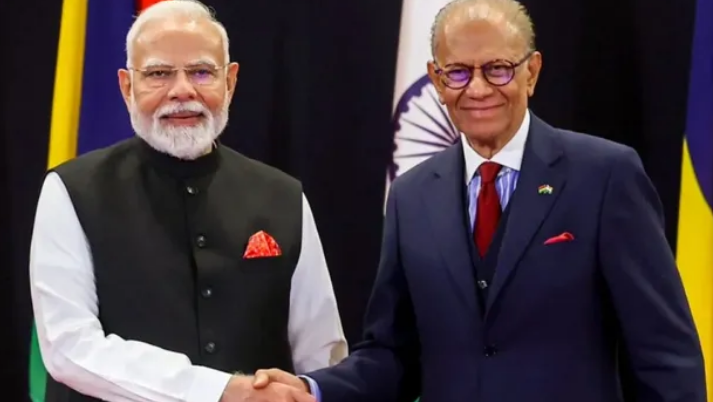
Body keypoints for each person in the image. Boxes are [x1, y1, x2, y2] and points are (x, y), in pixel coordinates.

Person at [251, 0, 707, 401]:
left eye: (498, 69)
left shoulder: (604, 175)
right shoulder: (412, 196)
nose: (478, 89)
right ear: (436, 78)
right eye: (458, 72)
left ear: (532, 71)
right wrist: (313, 390)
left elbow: (663, 351)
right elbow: (393, 354)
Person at [28, 1, 347, 402]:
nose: (182, 91)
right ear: (127, 87)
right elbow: (69, 346)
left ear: (230, 82)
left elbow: (322, 356)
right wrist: (220, 391)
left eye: (201, 72)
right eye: (158, 74)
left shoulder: (283, 196)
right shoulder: (71, 191)